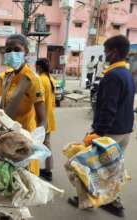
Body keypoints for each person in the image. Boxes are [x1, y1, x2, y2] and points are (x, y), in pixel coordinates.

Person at [73, 35, 135, 217]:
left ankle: (85, 201)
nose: (105, 54)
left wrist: (97, 132)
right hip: (125, 131)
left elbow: (109, 108)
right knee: (112, 168)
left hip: (110, 133)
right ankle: (115, 203)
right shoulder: (127, 74)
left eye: (107, 51)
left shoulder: (113, 75)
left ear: (114, 52)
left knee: (85, 166)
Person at [0, 34, 46, 177]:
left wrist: (36, 140)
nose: (12, 53)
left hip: (23, 138)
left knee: (23, 179)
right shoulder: (7, 76)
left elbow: (42, 118)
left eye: (17, 49)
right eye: (8, 50)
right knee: (5, 178)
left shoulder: (32, 80)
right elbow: (1, 102)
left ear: (25, 52)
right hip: (5, 135)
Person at [36, 58, 56, 181]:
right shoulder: (50, 79)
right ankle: (47, 169)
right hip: (49, 116)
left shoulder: (41, 80)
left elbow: (39, 101)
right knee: (46, 144)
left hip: (42, 118)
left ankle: (48, 171)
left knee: (44, 145)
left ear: (39, 67)